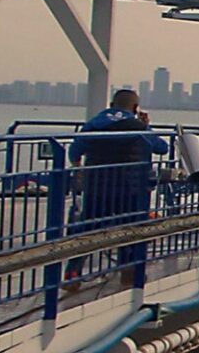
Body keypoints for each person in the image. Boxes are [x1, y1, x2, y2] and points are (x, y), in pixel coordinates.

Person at [69, 88, 168, 250]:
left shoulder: (92, 125)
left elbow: (74, 152)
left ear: (111, 105)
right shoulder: (138, 127)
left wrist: (79, 169)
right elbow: (162, 148)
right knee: (131, 234)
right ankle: (128, 268)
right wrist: (147, 126)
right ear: (136, 108)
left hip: (96, 188)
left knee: (87, 232)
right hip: (130, 191)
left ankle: (74, 268)